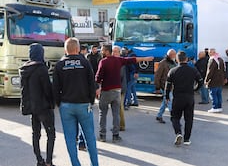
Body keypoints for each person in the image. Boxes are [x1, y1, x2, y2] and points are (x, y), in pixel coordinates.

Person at [52, 37, 99, 166]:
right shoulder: (85, 63)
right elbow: (91, 83)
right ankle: (94, 164)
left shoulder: (60, 65)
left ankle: (75, 164)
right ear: (78, 49)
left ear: (65, 50)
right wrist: (91, 101)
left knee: (70, 139)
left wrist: (59, 103)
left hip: (66, 106)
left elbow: (55, 88)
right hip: (84, 104)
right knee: (90, 137)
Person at [95, 44, 153, 142]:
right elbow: (132, 60)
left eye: (103, 50)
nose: (101, 52)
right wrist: (145, 58)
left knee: (102, 113)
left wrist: (98, 87)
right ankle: (115, 135)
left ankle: (102, 135)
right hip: (117, 91)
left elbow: (98, 77)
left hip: (106, 91)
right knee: (116, 113)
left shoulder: (103, 62)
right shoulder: (119, 60)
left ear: (107, 51)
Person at [19, 43, 55, 166]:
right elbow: (47, 89)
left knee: (36, 134)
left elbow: (23, 90)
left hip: (32, 108)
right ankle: (49, 162)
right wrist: (52, 103)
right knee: (50, 134)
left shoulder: (24, 69)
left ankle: (39, 160)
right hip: (44, 107)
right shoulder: (41, 68)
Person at [165, 51, 203, 146]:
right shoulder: (193, 70)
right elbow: (200, 81)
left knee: (175, 117)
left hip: (178, 97)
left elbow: (168, 86)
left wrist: (166, 96)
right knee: (189, 119)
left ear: (177, 59)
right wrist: (195, 89)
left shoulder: (172, 71)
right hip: (189, 97)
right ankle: (187, 139)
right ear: (186, 59)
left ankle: (178, 133)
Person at [155, 49, 177, 124]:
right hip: (165, 86)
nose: (174, 56)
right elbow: (157, 75)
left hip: (172, 86)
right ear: (169, 55)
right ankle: (174, 118)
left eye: (175, 54)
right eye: (173, 55)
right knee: (170, 102)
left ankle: (159, 115)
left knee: (165, 102)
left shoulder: (174, 63)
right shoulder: (163, 63)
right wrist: (157, 87)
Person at [205, 48, 226, 113]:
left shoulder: (212, 60)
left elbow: (210, 71)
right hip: (220, 80)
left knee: (213, 94)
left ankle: (215, 107)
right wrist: (224, 78)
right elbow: (224, 70)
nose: (208, 54)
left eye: (209, 53)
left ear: (212, 52)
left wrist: (206, 80)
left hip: (213, 81)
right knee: (219, 94)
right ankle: (219, 107)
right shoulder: (220, 59)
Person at [112, 46, 128, 131]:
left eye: (116, 52)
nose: (114, 53)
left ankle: (121, 125)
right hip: (114, 88)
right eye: (113, 51)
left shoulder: (120, 62)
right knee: (115, 107)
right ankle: (117, 125)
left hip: (120, 88)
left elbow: (120, 76)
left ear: (119, 53)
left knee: (119, 106)